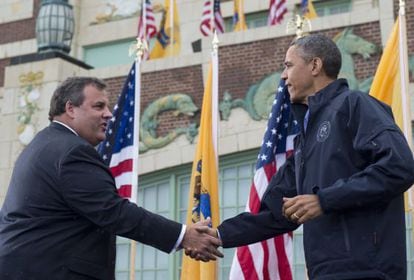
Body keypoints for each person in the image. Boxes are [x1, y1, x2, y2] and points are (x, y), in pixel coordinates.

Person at [189, 34, 414, 280]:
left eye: (288, 65)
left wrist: (324, 200)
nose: (283, 76)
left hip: (369, 272)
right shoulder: (303, 141)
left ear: (315, 66)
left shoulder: (356, 105)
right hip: (323, 274)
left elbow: (399, 166)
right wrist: (218, 235)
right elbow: (276, 213)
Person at [0, 77, 222, 280]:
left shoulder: (42, 145)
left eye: (107, 106)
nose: (108, 113)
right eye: (98, 106)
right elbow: (113, 212)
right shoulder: (72, 151)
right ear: (70, 108)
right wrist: (184, 236)